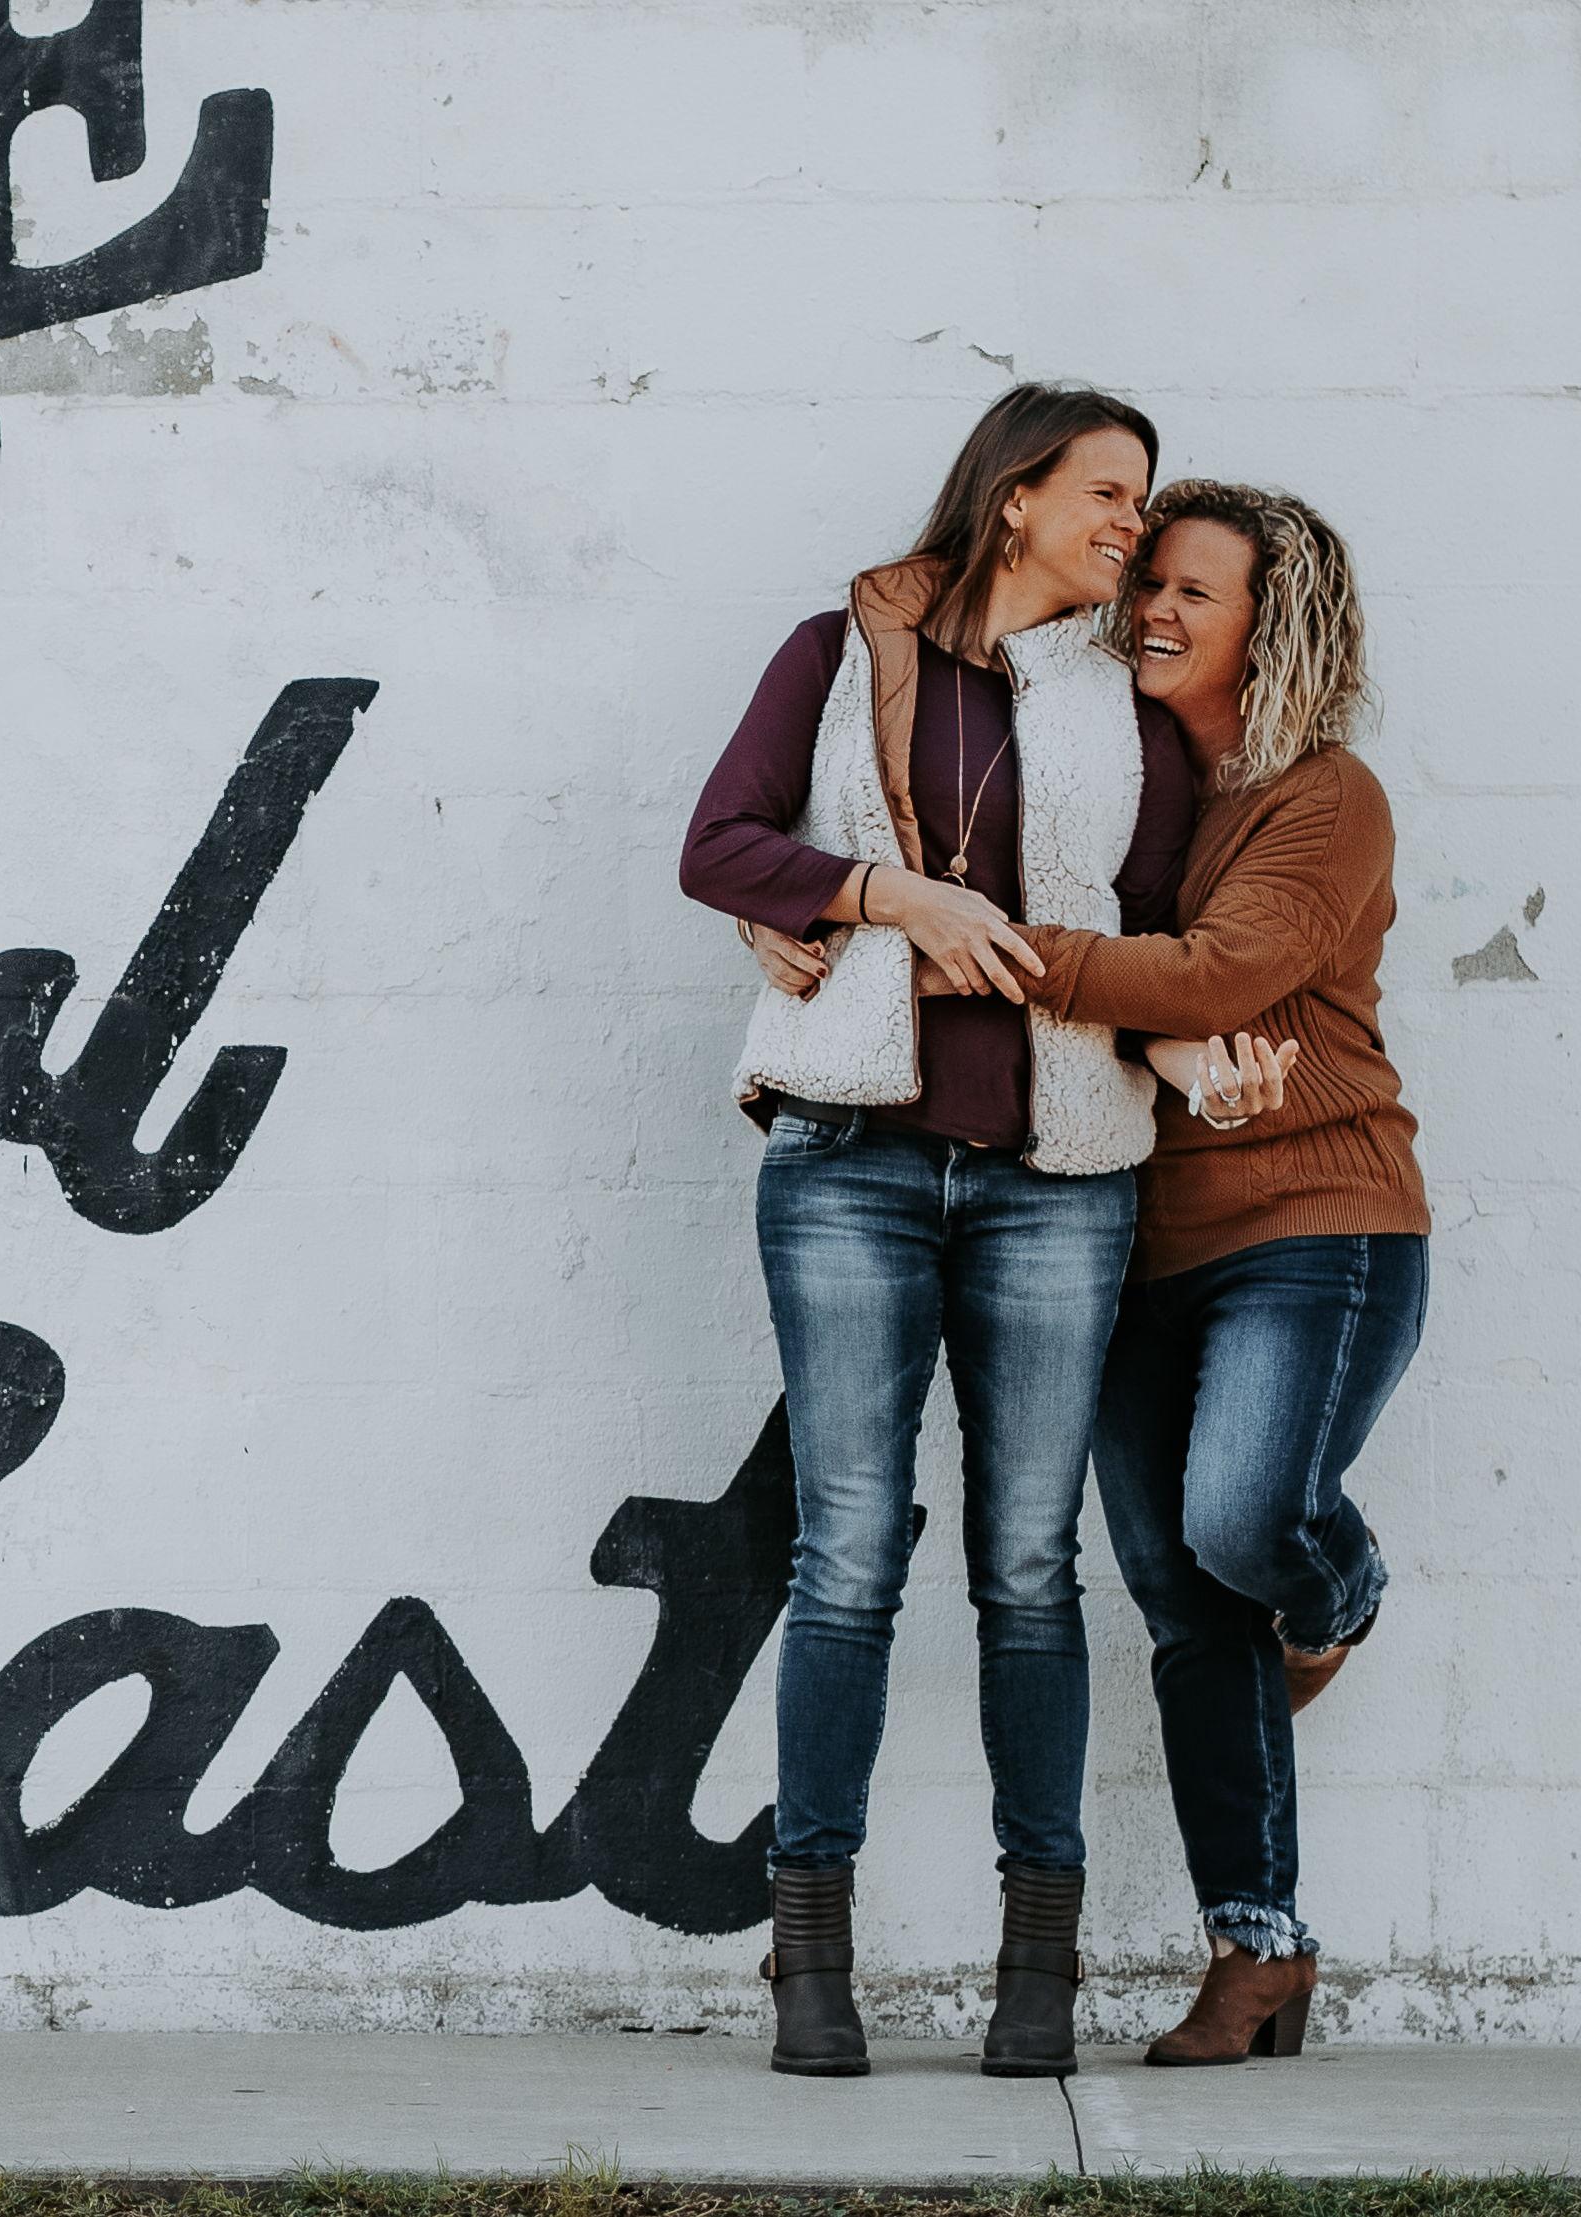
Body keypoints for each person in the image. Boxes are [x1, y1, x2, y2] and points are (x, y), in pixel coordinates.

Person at [750, 481, 1422, 2067]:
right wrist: (811, 917)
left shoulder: (1324, 796)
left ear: (1276, 626)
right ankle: (1260, 1943)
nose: (1153, 608)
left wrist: (962, 940)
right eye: (1150, 579)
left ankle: (1343, 1592)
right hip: (1125, 1221)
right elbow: (890, 856)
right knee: (1184, 1600)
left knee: (1243, 1526)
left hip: (1310, 1220)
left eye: (1194, 590)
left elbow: (1214, 972)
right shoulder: (1117, 764)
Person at [678, 383, 1198, 2078]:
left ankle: (1036, 1969)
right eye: (1108, 492)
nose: (1131, 524)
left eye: (1143, 499)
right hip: (848, 1157)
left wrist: (1205, 1037)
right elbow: (720, 844)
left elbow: (1163, 925)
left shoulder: (1127, 699)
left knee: (1032, 1566)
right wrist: (875, 892)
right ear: (1015, 493)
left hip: (1062, 1174)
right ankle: (810, 1955)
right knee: (847, 1554)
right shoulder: (834, 652)